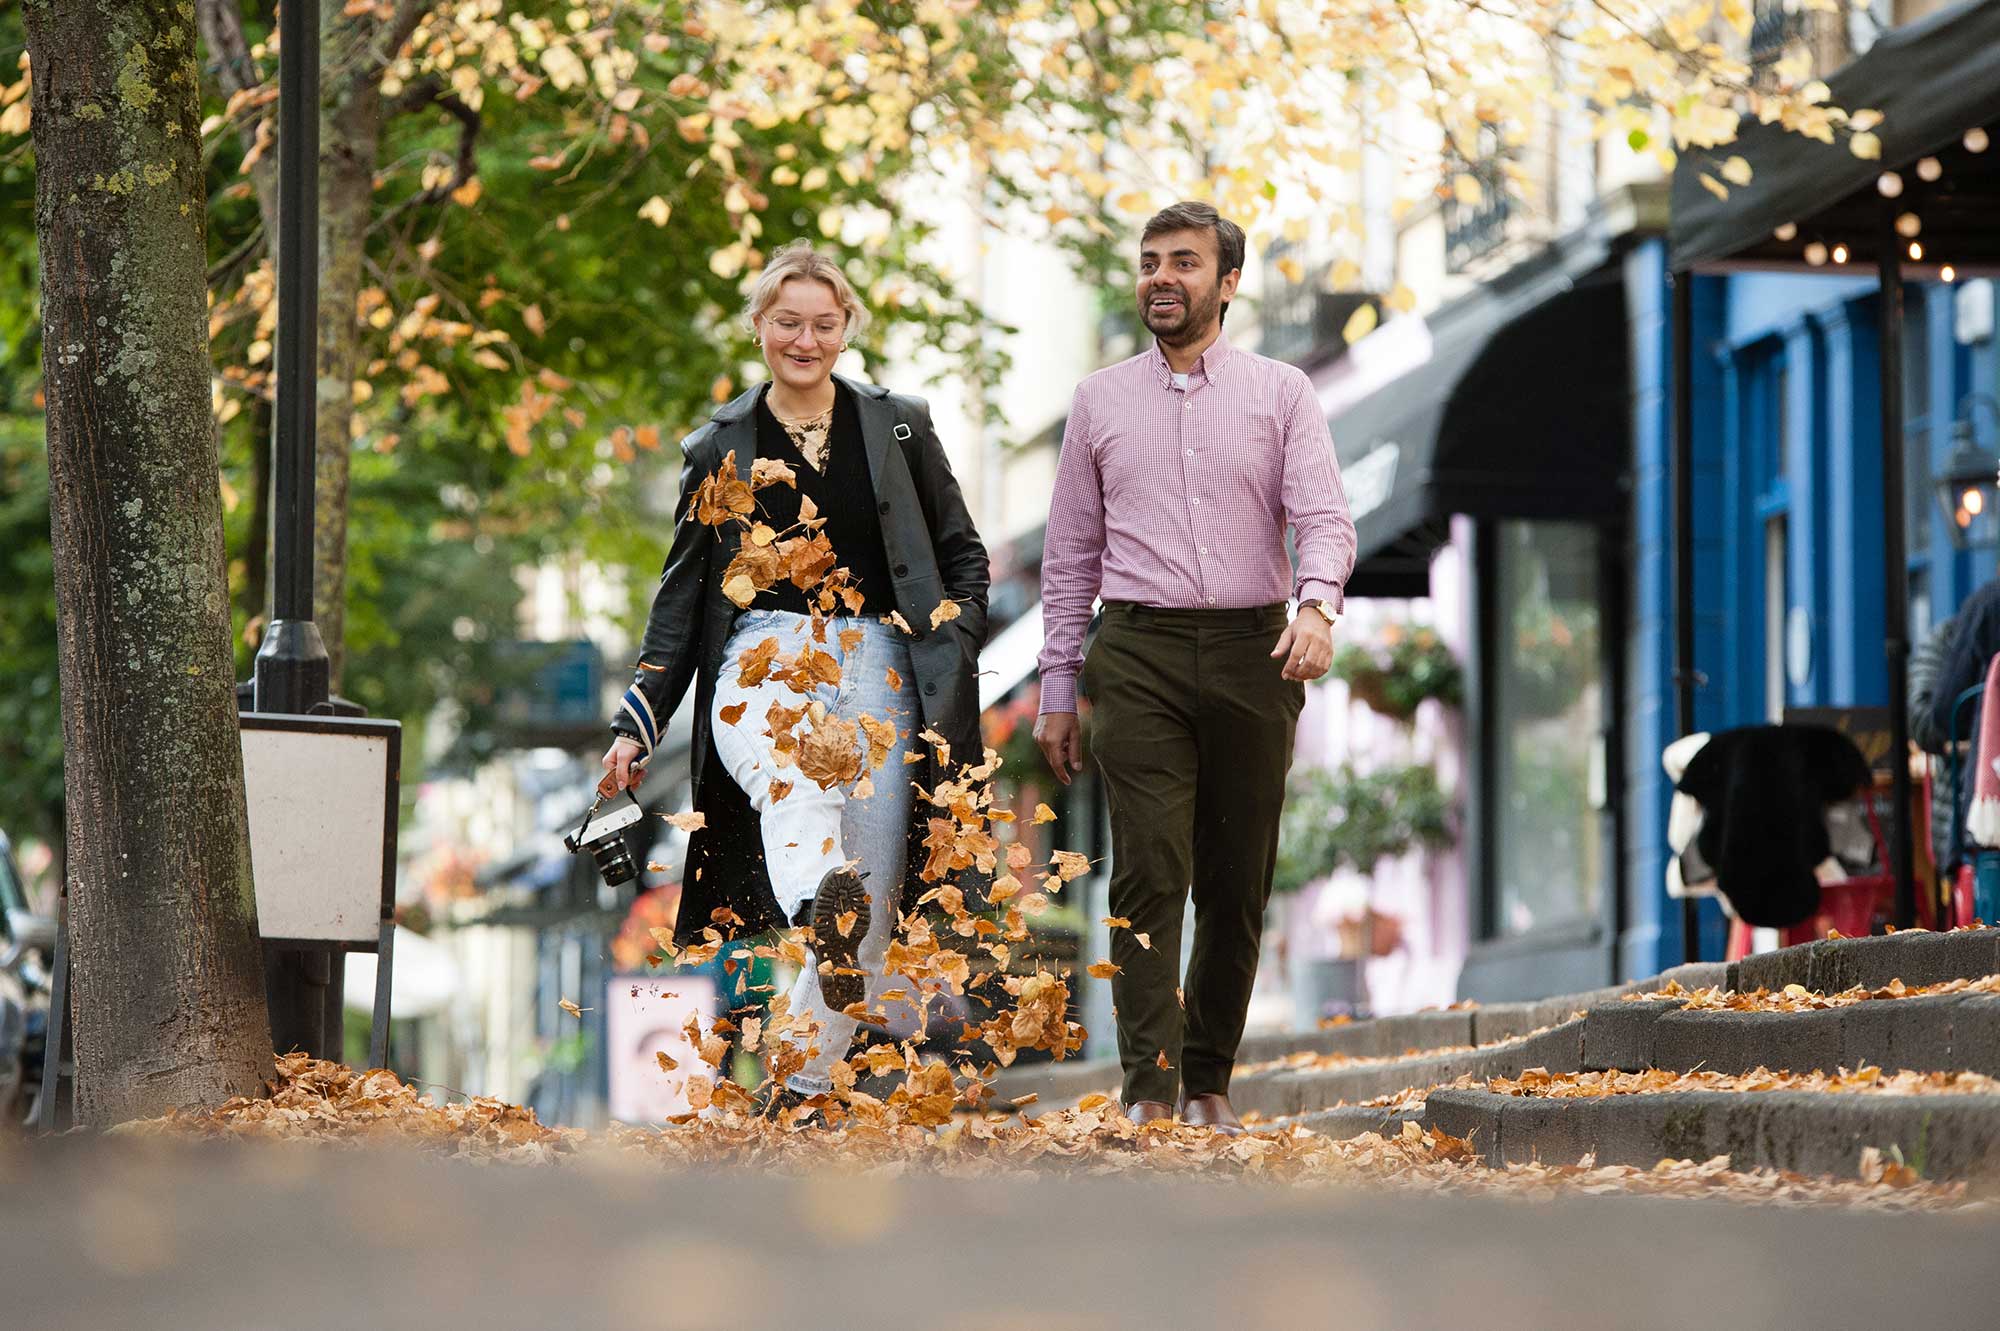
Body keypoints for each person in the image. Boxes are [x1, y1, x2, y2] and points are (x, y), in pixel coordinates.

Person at [601, 241, 989, 1118]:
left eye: (822, 323)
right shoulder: (719, 445)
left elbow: (963, 553)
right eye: (787, 322)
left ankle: (801, 1092)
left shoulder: (900, 425)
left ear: (847, 327)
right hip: (764, 655)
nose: (804, 339)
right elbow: (678, 601)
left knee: (876, 904)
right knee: (790, 777)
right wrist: (636, 722)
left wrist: (954, 639)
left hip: (882, 666)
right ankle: (822, 896)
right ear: (759, 328)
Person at [1034, 201, 1356, 1133]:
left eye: (1183, 261)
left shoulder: (1282, 392)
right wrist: (1059, 688)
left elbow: (1323, 517)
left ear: (1228, 281)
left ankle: (1208, 1079)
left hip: (1256, 653)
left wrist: (1316, 604)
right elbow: (1070, 558)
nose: (1161, 277)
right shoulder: (1098, 400)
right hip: (1136, 650)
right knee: (1149, 869)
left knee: (1234, 874)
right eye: (1148, 262)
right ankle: (1147, 1089)